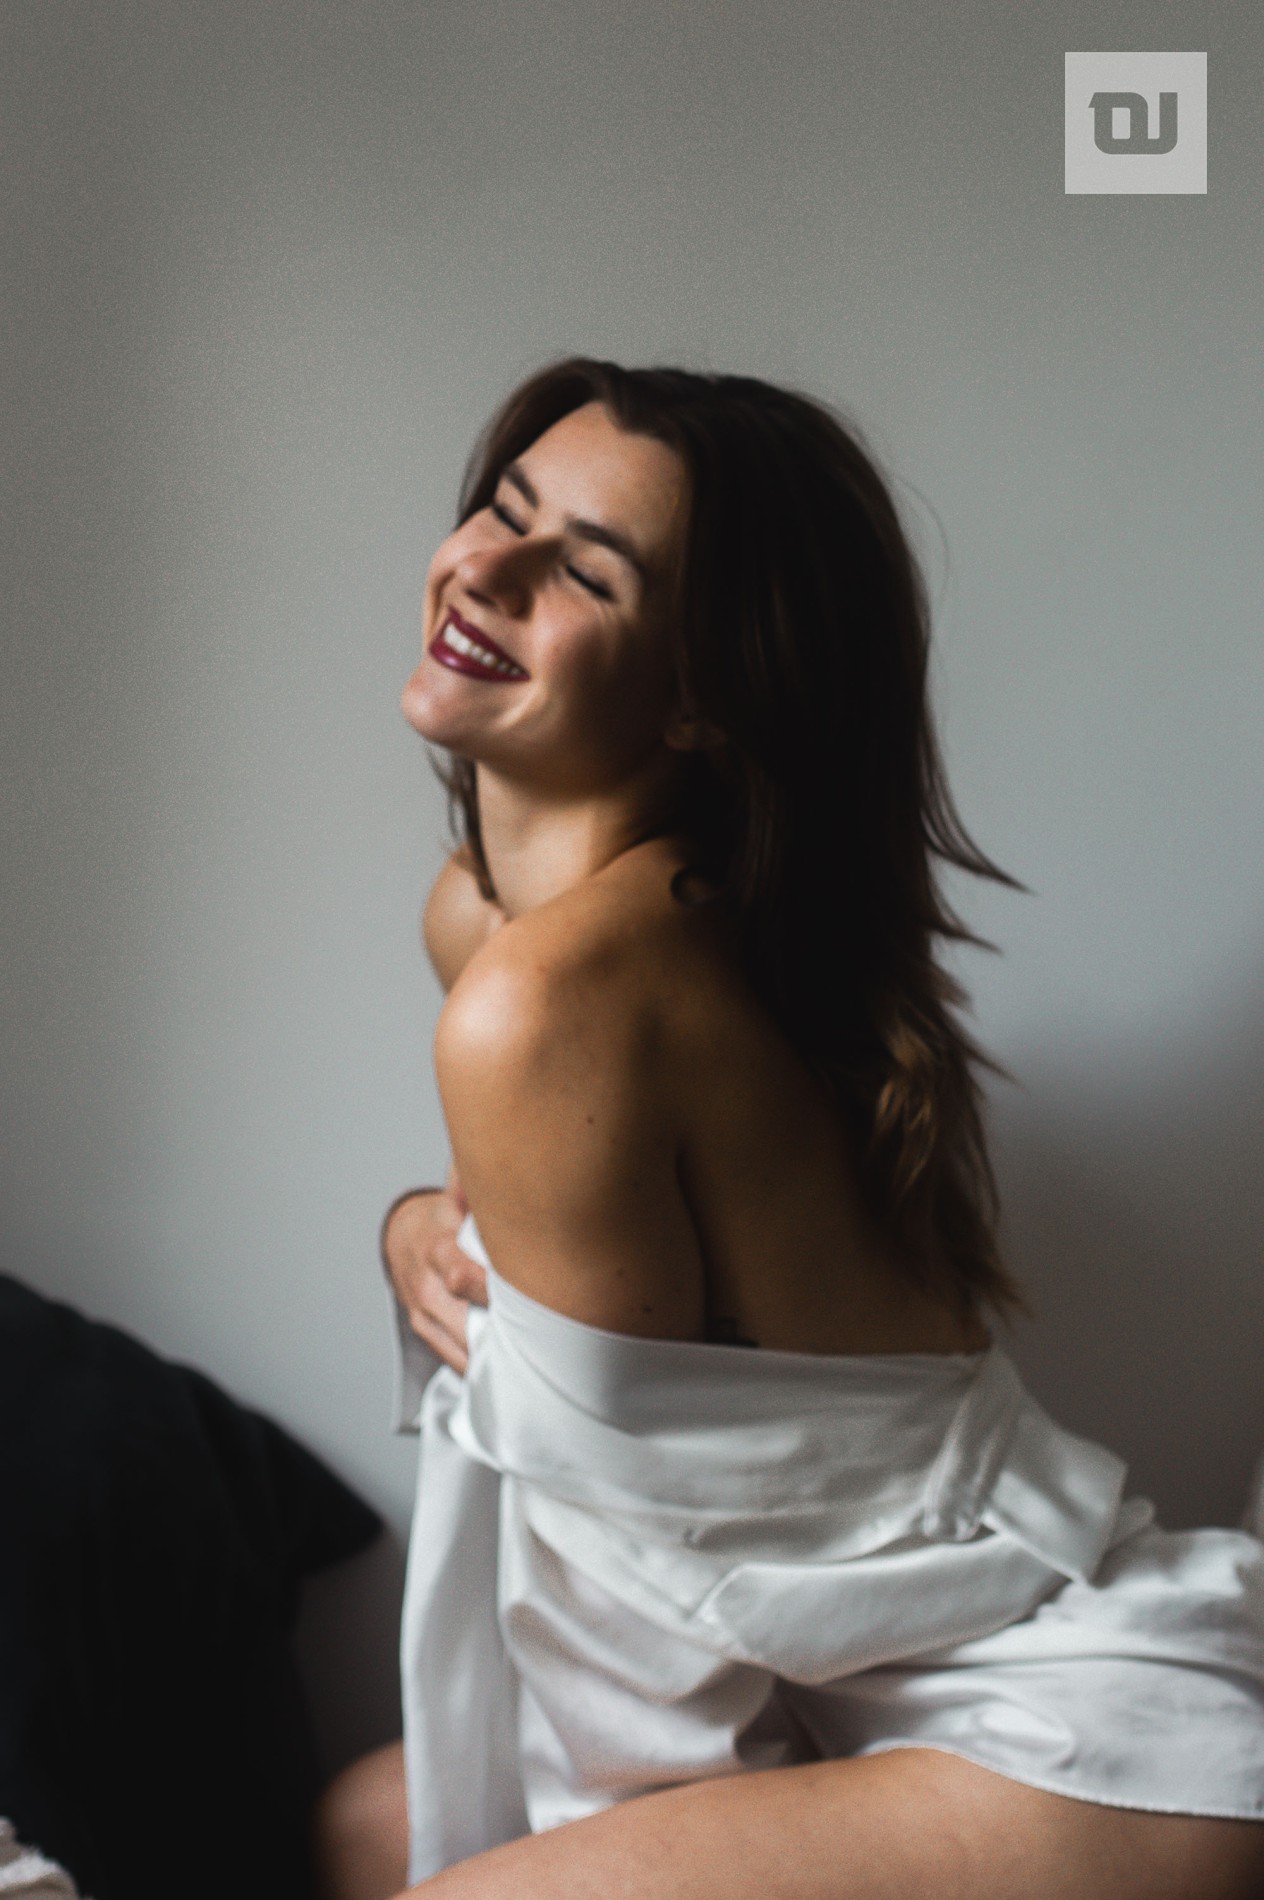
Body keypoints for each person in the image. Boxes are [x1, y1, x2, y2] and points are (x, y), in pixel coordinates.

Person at [314, 361, 1264, 1900]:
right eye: (502, 509)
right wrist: (416, 1228)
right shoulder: (505, 931)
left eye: (586, 572)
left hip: (1086, 1723)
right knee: (359, 1826)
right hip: (858, 1662)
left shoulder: (548, 1000)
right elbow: (638, 1340)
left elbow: (625, 1599)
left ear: (704, 694)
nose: (484, 569)